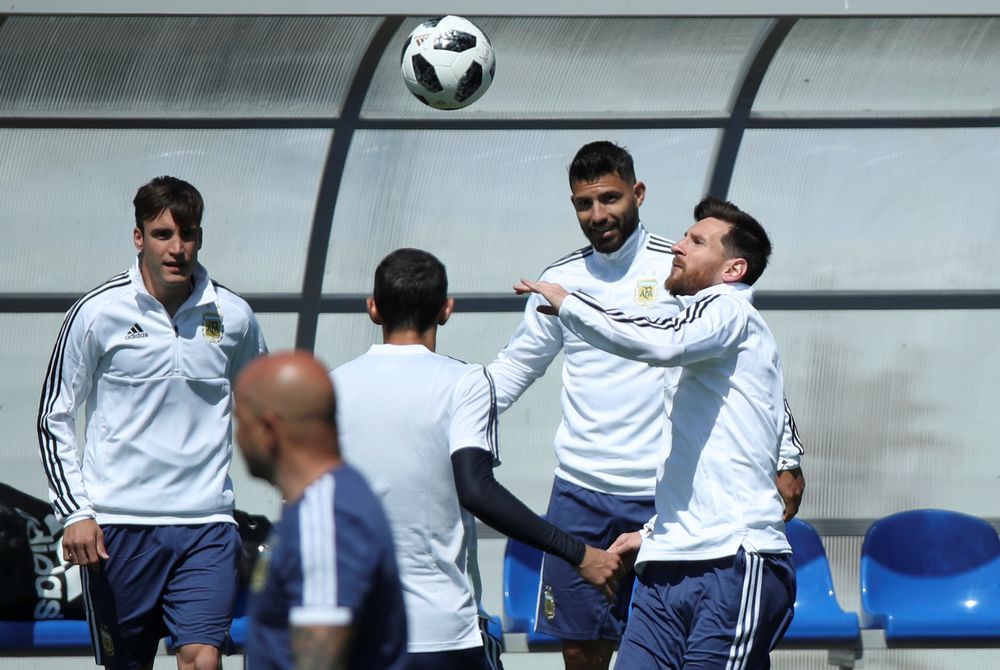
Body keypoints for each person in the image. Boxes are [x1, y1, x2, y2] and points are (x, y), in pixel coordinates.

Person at [488, 141, 804, 669]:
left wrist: (786, 454)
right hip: (584, 490)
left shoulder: (686, 275)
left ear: (637, 193)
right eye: (583, 204)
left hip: (665, 498)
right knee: (581, 647)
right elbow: (517, 366)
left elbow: (756, 374)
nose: (597, 214)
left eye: (609, 198)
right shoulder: (560, 279)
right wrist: (448, 416)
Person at [330, 248, 624, 670]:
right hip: (441, 633)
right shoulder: (465, 382)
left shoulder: (331, 386)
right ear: (446, 310)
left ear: (373, 309)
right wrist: (579, 553)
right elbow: (477, 489)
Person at [36, 176, 268, 670]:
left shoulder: (234, 316)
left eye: (187, 235)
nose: (177, 248)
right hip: (118, 529)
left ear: (200, 237)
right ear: (138, 236)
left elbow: (265, 405)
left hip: (206, 523)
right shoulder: (97, 313)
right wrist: (76, 512)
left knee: (202, 660)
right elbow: (53, 415)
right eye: (162, 234)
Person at [233, 351, 407, 670]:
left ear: (268, 429)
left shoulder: (327, 516)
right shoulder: (324, 505)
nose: (237, 437)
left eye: (240, 422)